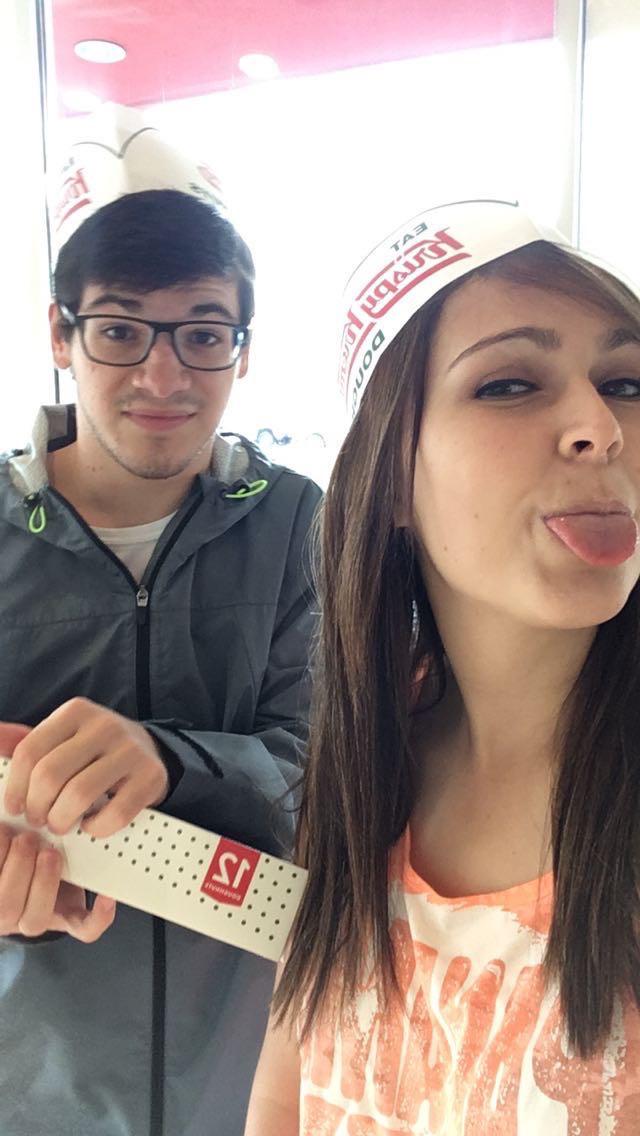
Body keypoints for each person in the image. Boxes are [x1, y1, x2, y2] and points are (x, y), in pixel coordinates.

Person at [245, 199, 640, 1134]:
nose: (600, 427)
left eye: (627, 381)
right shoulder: (366, 766)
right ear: (390, 477)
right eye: (509, 385)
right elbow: (284, 1095)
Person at [0, 105, 321, 1136]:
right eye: (121, 328)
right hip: (34, 1081)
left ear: (242, 348)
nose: (164, 376)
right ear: (60, 334)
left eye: (203, 333)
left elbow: (331, 771)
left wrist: (171, 759)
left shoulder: (299, 525)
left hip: (251, 1071)